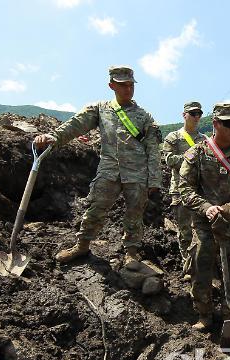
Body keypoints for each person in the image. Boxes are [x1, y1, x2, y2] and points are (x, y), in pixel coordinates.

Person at [34, 66, 161, 263]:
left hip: (137, 173)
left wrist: (154, 178)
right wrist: (54, 137)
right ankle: (82, 245)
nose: (128, 89)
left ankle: (131, 253)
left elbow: (153, 149)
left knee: (135, 213)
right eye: (123, 85)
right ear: (112, 86)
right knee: (96, 207)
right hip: (109, 169)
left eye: (130, 85)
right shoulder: (100, 109)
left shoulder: (145, 116)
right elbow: (76, 124)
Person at [179, 103, 230, 332]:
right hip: (204, 226)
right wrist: (206, 207)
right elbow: (185, 189)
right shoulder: (196, 153)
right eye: (227, 123)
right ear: (215, 123)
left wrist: (229, 208)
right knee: (200, 271)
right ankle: (204, 314)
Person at [162, 101, 207, 281]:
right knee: (185, 231)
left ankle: (203, 265)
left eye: (199, 114)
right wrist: (191, 157)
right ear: (184, 115)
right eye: (193, 113)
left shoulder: (205, 139)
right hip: (179, 190)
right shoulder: (173, 137)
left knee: (203, 231)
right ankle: (188, 267)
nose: (196, 117)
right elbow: (169, 160)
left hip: (200, 192)